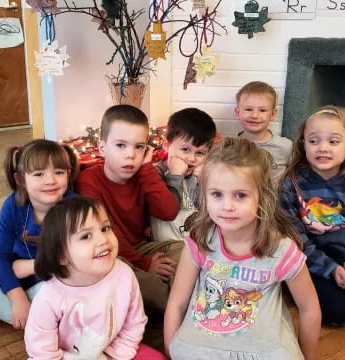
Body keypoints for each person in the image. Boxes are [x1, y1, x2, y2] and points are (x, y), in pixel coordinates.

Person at [164, 137, 321, 360]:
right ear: (205, 195)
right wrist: (171, 351)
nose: (227, 206)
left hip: (264, 351)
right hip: (200, 347)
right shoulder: (199, 240)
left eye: (240, 195)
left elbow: (309, 308)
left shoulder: (281, 250)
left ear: (261, 196)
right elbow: (177, 303)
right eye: (217, 194)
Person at [0, 139, 78, 329]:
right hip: (14, 272)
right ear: (21, 180)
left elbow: (77, 260)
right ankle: (37, 323)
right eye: (38, 174)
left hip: (50, 279)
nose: (50, 180)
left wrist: (32, 266)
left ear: (68, 173)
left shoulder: (78, 208)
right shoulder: (12, 205)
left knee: (66, 288)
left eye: (59, 172)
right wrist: (17, 297)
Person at [279, 106, 345, 326]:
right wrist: (329, 269)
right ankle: (291, 285)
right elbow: (295, 238)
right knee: (339, 315)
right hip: (309, 260)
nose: (323, 148)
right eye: (314, 141)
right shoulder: (291, 185)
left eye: (333, 141)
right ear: (303, 145)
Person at [24, 196, 166, 360]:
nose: (102, 239)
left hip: (113, 350)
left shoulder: (124, 274)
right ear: (61, 256)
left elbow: (134, 322)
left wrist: (119, 355)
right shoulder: (49, 297)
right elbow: (42, 351)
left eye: (105, 228)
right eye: (85, 236)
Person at [76, 104, 183, 312]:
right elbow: (105, 234)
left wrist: (146, 170)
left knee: (188, 252)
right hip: (110, 254)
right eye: (121, 145)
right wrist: (144, 263)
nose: (130, 155)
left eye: (139, 147)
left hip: (140, 247)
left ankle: (174, 299)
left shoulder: (143, 174)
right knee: (149, 288)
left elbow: (168, 211)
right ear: (102, 148)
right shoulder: (89, 181)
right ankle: (175, 304)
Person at [151, 108, 217, 243]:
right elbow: (168, 211)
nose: (192, 159)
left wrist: (205, 181)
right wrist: (175, 176)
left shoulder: (198, 173)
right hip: (169, 244)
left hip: (198, 242)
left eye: (200, 153)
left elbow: (207, 210)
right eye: (185, 149)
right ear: (166, 146)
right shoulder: (155, 174)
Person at [236, 81, 293, 186]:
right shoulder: (229, 147)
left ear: (273, 114)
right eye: (248, 109)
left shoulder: (286, 147)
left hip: (275, 202)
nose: (255, 115)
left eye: (262, 110)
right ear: (238, 113)